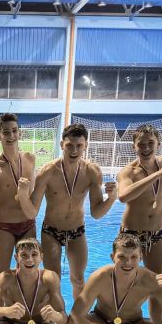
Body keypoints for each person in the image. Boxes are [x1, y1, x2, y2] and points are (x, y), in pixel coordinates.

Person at [108, 124, 162, 324]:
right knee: (123, 286)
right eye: (141, 144)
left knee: (156, 285)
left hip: (156, 234)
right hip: (131, 235)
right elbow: (123, 196)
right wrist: (156, 175)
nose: (146, 148)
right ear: (134, 146)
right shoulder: (128, 171)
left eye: (151, 143)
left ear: (158, 144)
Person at [29, 123, 117, 297]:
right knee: (52, 280)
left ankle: (78, 314)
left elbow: (96, 213)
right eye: (69, 145)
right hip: (51, 232)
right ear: (62, 144)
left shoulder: (92, 172)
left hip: (77, 231)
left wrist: (112, 199)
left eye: (79, 145)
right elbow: (33, 210)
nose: (74, 150)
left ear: (86, 146)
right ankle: (55, 313)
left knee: (78, 279)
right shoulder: (47, 171)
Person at [0, 113, 37, 277]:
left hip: (28, 225)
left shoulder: (30, 159)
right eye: (6, 132)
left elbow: (33, 197)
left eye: (14, 131)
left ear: (20, 133)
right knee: (2, 275)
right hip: (4, 227)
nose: (11, 136)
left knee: (28, 274)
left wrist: (23, 195)